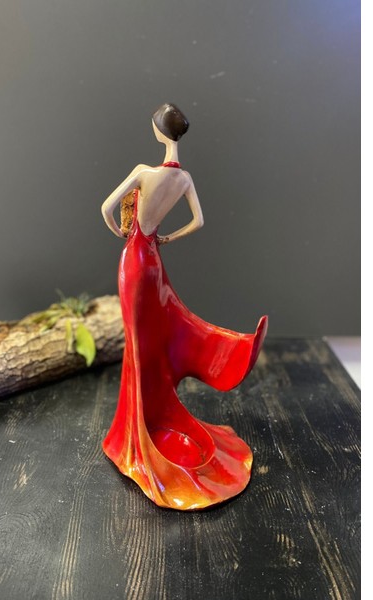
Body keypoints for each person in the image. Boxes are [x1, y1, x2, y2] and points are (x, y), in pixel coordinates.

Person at [101, 103, 268, 510]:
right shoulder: (184, 178)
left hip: (135, 259)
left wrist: (123, 231)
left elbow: (106, 208)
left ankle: (134, 438)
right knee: (159, 329)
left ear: (159, 132)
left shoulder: (144, 172)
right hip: (154, 259)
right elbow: (199, 222)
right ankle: (147, 420)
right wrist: (167, 237)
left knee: (138, 343)